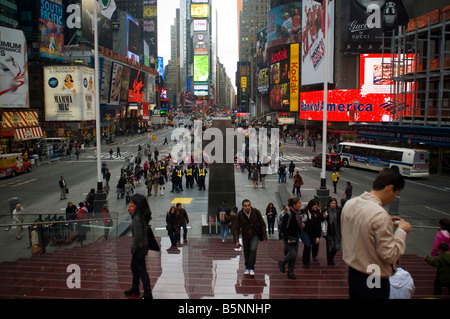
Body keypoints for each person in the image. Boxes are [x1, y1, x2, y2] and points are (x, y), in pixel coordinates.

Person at [341, 167, 412, 299]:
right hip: (373, 274)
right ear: (390, 188)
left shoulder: (351, 204)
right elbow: (390, 255)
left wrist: (386, 223)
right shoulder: (379, 215)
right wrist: (402, 231)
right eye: (395, 194)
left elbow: (361, 225)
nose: (393, 199)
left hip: (354, 272)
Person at [123, 194, 153, 299]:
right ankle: (135, 288)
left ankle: (148, 294)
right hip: (142, 246)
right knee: (134, 267)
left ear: (137, 205)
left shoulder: (137, 218)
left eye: (131, 202)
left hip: (139, 247)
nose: (129, 204)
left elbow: (138, 236)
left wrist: (133, 248)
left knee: (141, 270)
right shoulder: (141, 215)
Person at [234, 199, 267, 275]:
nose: (247, 207)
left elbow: (262, 224)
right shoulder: (240, 214)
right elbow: (236, 228)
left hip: (254, 234)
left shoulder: (256, 212)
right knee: (246, 251)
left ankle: (251, 267)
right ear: (242, 206)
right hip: (245, 235)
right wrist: (236, 240)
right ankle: (247, 267)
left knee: (253, 249)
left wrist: (264, 236)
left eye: (248, 205)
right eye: (245, 206)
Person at [278, 197, 303, 279]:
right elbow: (283, 228)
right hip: (288, 237)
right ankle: (281, 261)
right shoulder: (288, 214)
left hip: (296, 237)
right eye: (299, 203)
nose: (300, 205)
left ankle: (291, 272)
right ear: (294, 205)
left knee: (294, 257)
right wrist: (286, 238)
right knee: (292, 254)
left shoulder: (299, 213)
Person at [301, 199, 322, 267]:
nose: (316, 206)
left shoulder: (318, 213)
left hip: (314, 233)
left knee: (315, 243)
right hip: (305, 231)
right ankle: (306, 261)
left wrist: (318, 236)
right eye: (314, 205)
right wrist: (309, 217)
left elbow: (318, 225)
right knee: (307, 245)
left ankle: (312, 256)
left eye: (317, 205)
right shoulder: (305, 211)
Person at [323, 197, 342, 266]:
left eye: (334, 203)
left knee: (337, 247)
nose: (333, 205)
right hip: (329, 231)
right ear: (329, 204)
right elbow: (322, 220)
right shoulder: (326, 210)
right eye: (332, 203)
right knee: (329, 247)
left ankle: (331, 257)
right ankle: (329, 261)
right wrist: (324, 217)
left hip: (337, 231)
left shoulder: (338, 210)